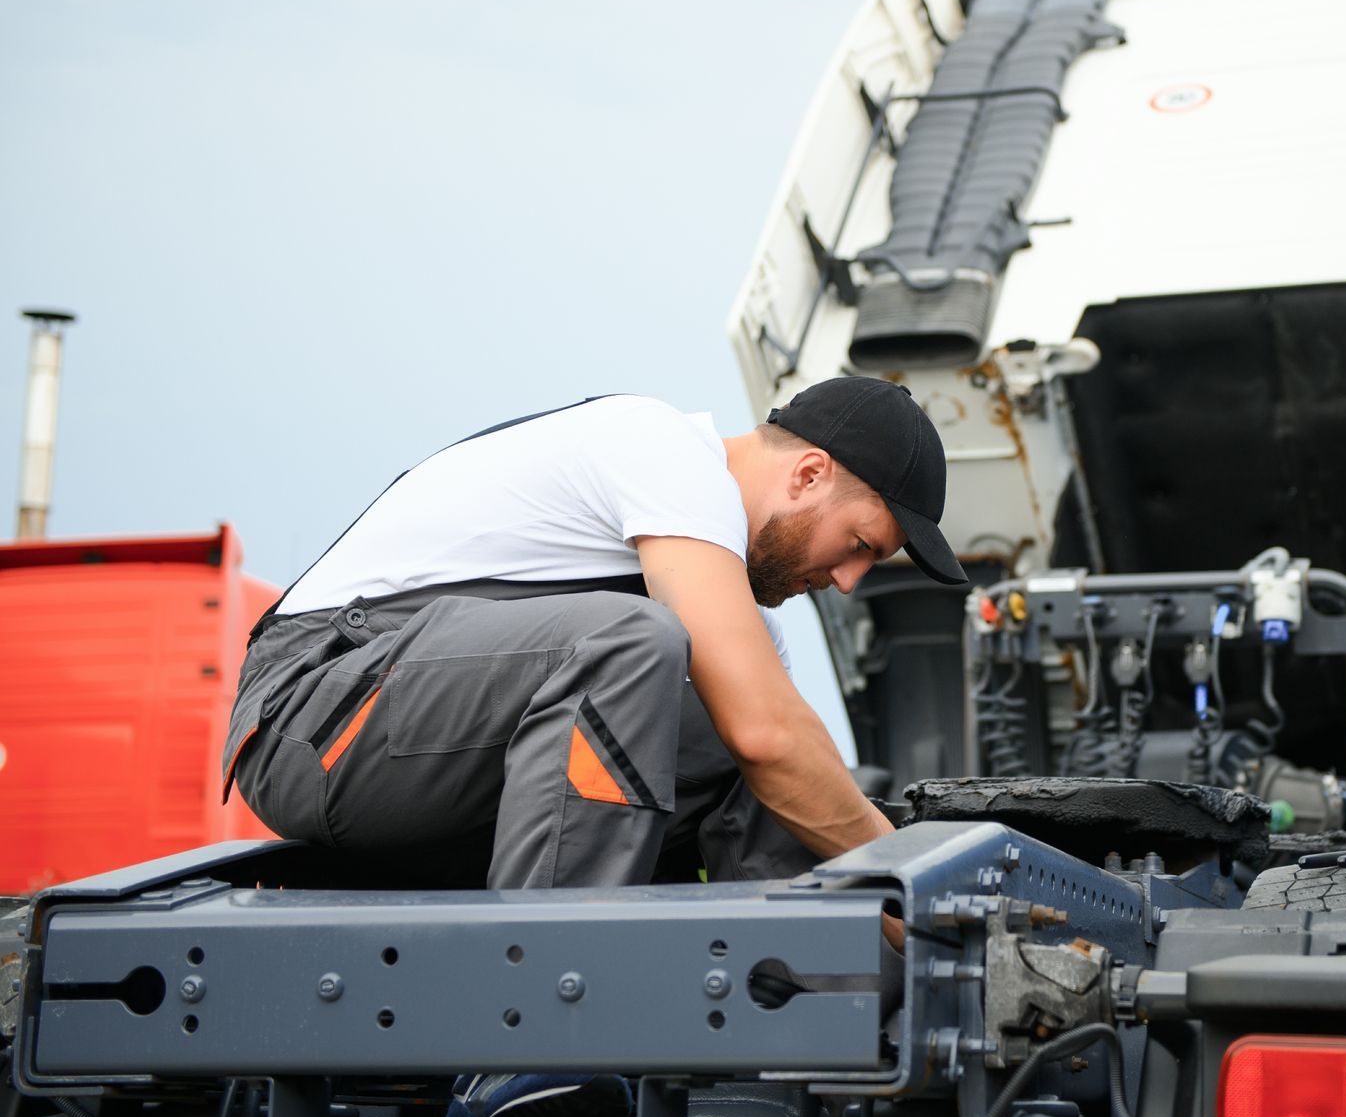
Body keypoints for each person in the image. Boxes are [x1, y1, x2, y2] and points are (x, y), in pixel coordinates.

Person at [221, 376, 967, 894]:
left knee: (751, 751)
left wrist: (912, 929)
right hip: (313, 715)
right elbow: (765, 729)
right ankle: (547, 1014)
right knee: (645, 649)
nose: (848, 582)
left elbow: (779, 755)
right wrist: (910, 873)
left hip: (426, 758)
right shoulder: (661, 448)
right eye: (861, 543)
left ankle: (809, 1016)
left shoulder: (741, 618)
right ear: (807, 475)